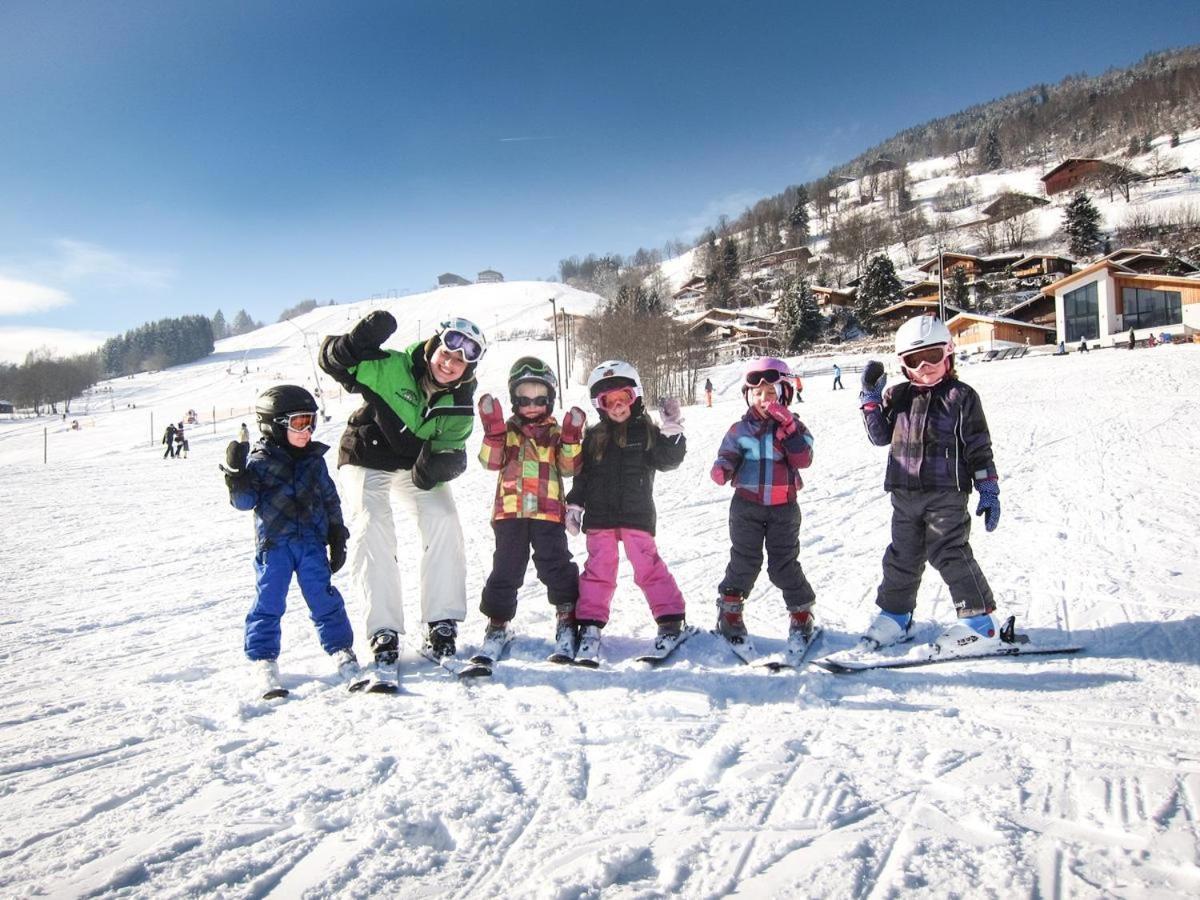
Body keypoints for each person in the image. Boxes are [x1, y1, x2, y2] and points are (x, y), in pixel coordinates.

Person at [319, 312, 485, 682]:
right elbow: (333, 362)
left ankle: (441, 624)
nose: (450, 363)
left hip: (412, 466)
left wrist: (444, 463)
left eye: (460, 361)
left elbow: (450, 445)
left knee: (443, 518)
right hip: (367, 455)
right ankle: (384, 630)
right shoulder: (392, 367)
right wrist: (348, 345)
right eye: (446, 352)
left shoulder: (460, 405)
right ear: (432, 348)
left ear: (468, 370)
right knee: (374, 521)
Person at [857, 315, 1001, 656]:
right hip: (903, 492)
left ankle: (981, 622)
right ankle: (896, 614)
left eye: (933, 357)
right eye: (913, 360)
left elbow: (978, 447)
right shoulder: (898, 395)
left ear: (949, 354)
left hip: (946, 493)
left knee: (948, 551)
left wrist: (988, 487)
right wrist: (870, 400)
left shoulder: (961, 396)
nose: (924, 367)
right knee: (901, 556)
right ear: (902, 364)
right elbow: (879, 436)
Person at [221, 385, 356, 694]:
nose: (307, 430)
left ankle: (342, 652)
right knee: (268, 602)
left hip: (311, 544)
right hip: (275, 547)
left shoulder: (314, 460)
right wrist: (236, 475)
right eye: (298, 423)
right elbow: (243, 502)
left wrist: (337, 533)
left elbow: (330, 499)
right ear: (274, 425)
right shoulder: (260, 462)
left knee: (325, 601)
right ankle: (264, 662)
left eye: (311, 422)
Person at [563, 361, 688, 666]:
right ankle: (590, 625)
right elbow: (583, 476)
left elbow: (668, 460)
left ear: (637, 397)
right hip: (600, 519)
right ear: (599, 405)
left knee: (648, 567)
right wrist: (575, 505)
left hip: (636, 515)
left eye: (624, 398)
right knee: (598, 570)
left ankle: (670, 619)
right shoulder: (594, 437)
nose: (618, 407)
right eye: (609, 401)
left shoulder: (646, 431)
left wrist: (672, 432)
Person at [476, 357, 587, 661]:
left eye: (540, 398)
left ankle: (567, 616)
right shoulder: (508, 431)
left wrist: (571, 438)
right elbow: (490, 462)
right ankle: (497, 623)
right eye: (524, 398)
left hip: (547, 512)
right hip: (510, 512)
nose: (532, 405)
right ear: (514, 399)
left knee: (554, 563)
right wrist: (493, 431)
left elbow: (569, 467)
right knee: (506, 566)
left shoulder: (554, 433)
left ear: (550, 399)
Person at [710, 358, 816, 653]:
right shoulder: (740, 429)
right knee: (744, 559)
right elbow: (728, 453)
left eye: (771, 393)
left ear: (784, 394)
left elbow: (803, 459)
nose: (764, 399)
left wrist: (790, 428)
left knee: (783, 564)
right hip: (746, 505)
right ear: (748, 396)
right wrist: (723, 467)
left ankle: (801, 613)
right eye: (757, 394)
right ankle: (729, 611)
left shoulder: (796, 428)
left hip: (784, 508)